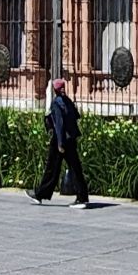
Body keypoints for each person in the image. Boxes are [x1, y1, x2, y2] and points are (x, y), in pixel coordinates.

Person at [28, 77, 90, 208]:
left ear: (54, 90)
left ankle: (40, 194)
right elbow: (76, 115)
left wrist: (60, 143)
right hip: (71, 138)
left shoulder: (56, 103)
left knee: (52, 168)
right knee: (75, 167)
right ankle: (82, 196)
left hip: (60, 139)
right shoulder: (67, 100)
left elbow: (59, 124)